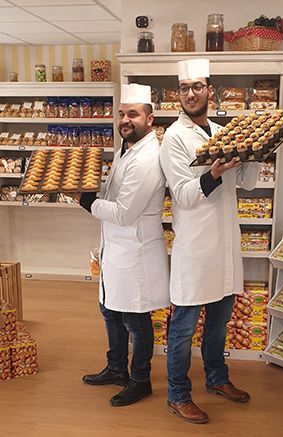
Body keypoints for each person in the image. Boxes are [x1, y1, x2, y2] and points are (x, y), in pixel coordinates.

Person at [159, 59, 261, 424]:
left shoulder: (221, 131)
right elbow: (183, 195)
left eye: (197, 86)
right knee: (184, 327)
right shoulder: (173, 137)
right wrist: (214, 173)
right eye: (184, 88)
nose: (190, 93)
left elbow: (247, 183)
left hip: (225, 245)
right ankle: (177, 394)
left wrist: (255, 152)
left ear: (209, 91)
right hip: (196, 248)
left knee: (218, 323)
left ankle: (217, 379)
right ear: (178, 95)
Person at [78, 83, 170, 407]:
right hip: (116, 248)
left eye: (133, 114)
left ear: (150, 118)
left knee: (135, 318)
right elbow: (112, 198)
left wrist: (87, 202)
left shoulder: (147, 158)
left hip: (136, 250)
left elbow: (123, 212)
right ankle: (116, 367)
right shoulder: (125, 149)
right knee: (110, 310)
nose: (125, 119)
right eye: (121, 114)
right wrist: (93, 195)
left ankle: (140, 379)